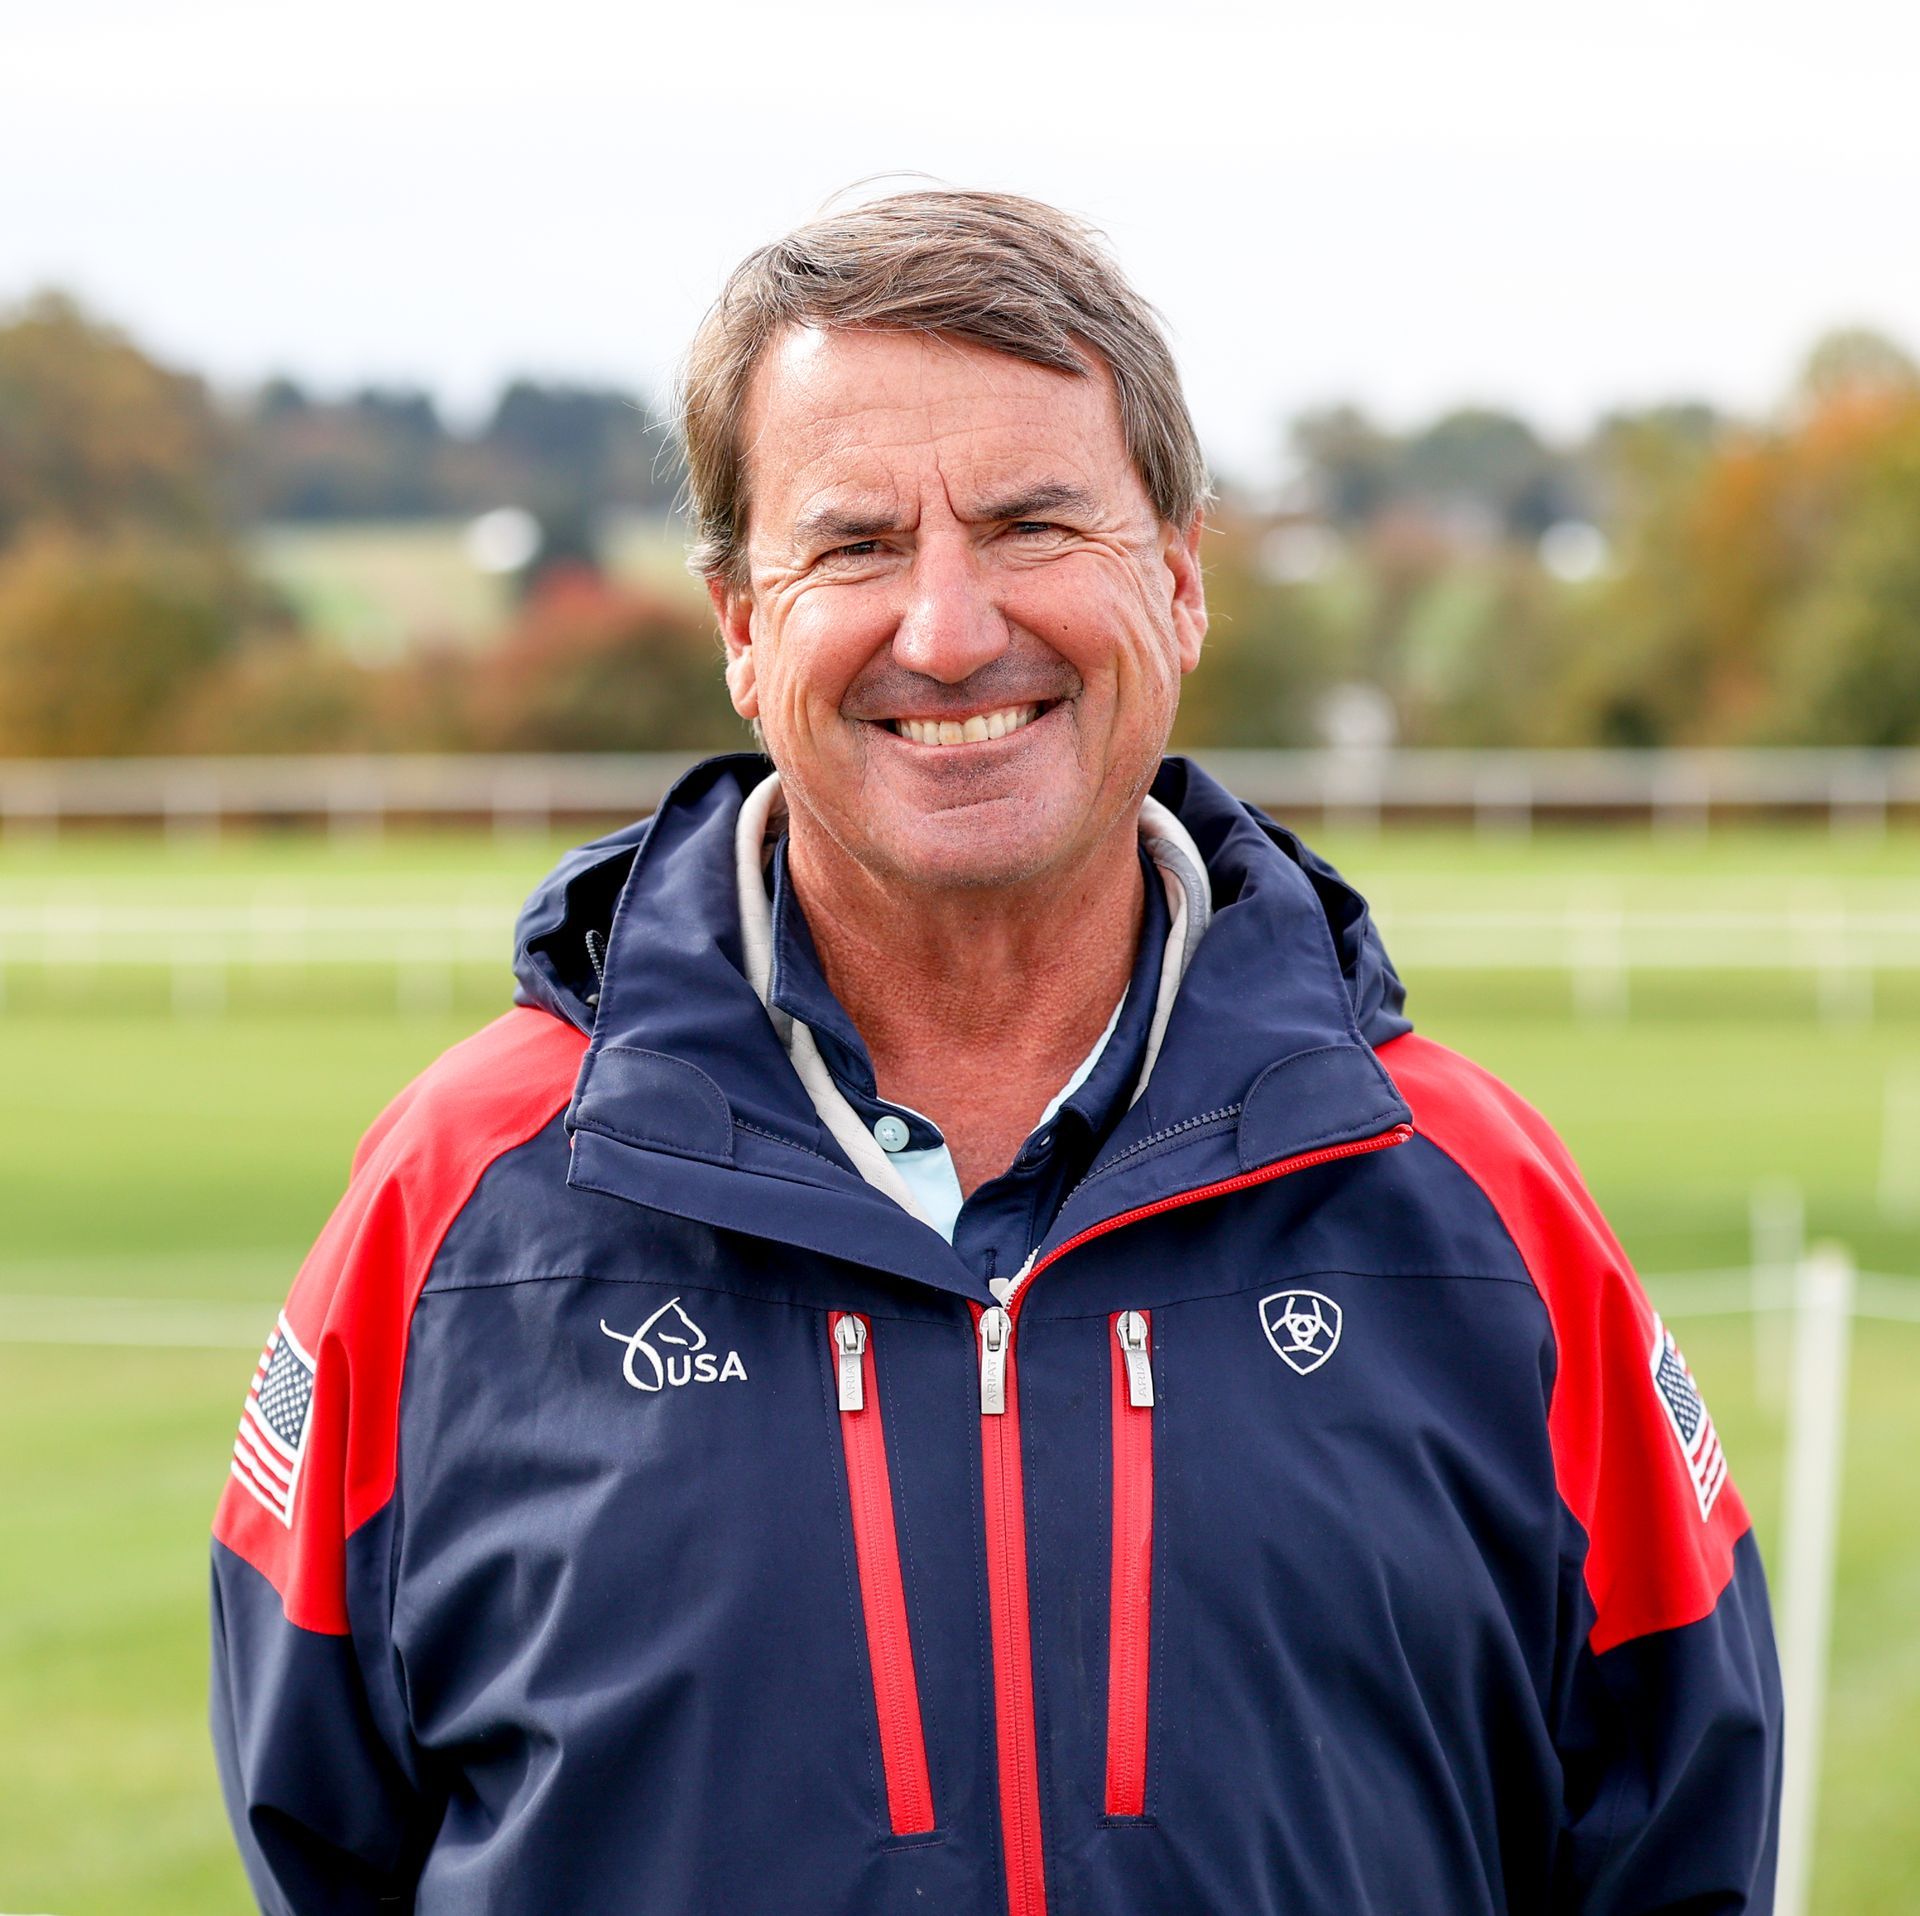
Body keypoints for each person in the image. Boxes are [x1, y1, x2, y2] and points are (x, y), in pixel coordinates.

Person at [210, 189, 1782, 1914]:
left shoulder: (1481, 1213)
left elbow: (1677, 1838)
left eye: (1034, 525)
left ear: (1177, 584)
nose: (949, 632)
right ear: (743, 625)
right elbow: (320, 1844)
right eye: (857, 545)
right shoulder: (461, 1205)